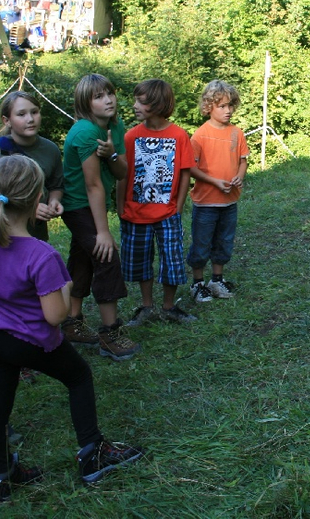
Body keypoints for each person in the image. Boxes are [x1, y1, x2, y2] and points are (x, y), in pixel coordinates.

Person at [0, 155, 143, 503]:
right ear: (38, 198)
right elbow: (54, 316)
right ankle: (93, 453)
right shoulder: (41, 254)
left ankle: (2, 478)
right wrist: (65, 286)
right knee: (78, 376)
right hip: (32, 340)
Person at [60, 74, 139, 360]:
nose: (108, 100)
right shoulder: (84, 132)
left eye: (109, 93)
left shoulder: (115, 125)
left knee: (82, 258)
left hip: (94, 203)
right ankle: (110, 334)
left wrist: (111, 154)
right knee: (106, 257)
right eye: (98, 96)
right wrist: (103, 232)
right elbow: (93, 185)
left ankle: (71, 323)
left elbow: (122, 172)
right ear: (85, 103)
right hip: (77, 205)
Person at [116, 79, 197, 327]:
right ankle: (147, 306)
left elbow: (185, 172)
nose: (134, 106)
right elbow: (122, 174)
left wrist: (178, 207)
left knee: (172, 261)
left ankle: (169, 307)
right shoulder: (131, 137)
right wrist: (120, 206)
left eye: (141, 102)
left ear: (158, 104)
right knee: (141, 262)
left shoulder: (179, 135)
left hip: (168, 214)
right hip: (135, 214)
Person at [186, 80, 248, 302]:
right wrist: (214, 182)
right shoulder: (200, 135)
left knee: (224, 242)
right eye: (222, 106)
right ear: (208, 106)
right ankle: (197, 284)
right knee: (201, 243)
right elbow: (191, 168)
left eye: (230, 105)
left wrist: (239, 176)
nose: (228, 110)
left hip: (229, 202)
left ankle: (217, 280)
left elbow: (243, 161)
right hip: (206, 203)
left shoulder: (237, 133)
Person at [0, 91, 64, 241]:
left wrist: (54, 201)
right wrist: (28, 208)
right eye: (21, 114)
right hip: (4, 232)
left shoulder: (51, 149)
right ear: (7, 120)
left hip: (36, 234)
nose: (31, 119)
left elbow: (56, 185)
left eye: (34, 112)